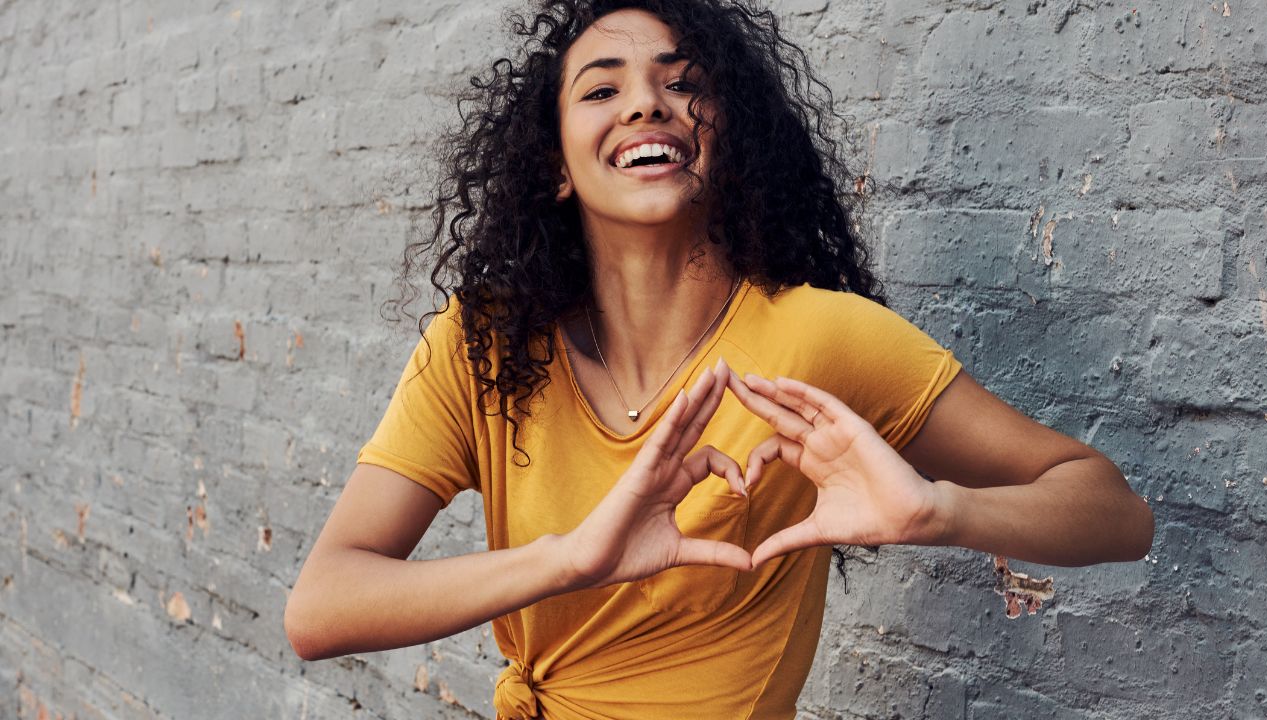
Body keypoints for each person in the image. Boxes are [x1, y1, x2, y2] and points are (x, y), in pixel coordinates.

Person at [283, 2, 1155, 718]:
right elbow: (321, 607)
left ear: (727, 138)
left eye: (683, 83)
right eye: (602, 89)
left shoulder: (821, 338)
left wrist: (941, 512)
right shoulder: (484, 346)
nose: (645, 103)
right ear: (554, 164)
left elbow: (1116, 513)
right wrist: (572, 557)